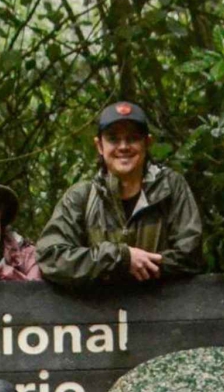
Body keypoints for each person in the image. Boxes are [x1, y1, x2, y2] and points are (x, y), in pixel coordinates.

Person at [36, 101, 205, 288]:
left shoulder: (170, 188)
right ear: (99, 146)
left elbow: (191, 255)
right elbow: (50, 258)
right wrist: (121, 259)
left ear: (147, 143)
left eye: (132, 138)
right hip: (98, 313)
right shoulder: (81, 197)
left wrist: (140, 265)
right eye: (113, 139)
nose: (123, 146)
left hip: (163, 310)